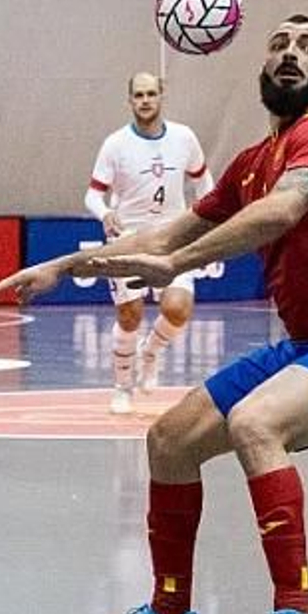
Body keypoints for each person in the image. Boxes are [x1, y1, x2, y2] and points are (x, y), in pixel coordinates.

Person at [0, 15, 308, 614]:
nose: (290, 53)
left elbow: (280, 212)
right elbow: (162, 235)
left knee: (255, 421)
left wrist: (176, 264)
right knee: (169, 439)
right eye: (279, 44)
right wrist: (67, 266)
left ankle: (297, 613)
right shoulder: (252, 162)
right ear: (259, 69)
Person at [84, 72, 214, 414]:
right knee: (130, 315)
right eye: (139, 95)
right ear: (130, 99)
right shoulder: (115, 144)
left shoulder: (184, 138)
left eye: (151, 93)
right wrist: (104, 214)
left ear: (161, 96)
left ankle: (151, 352)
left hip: (173, 235)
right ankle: (122, 386)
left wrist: (206, 216)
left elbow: (204, 183)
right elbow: (93, 194)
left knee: (177, 308)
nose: (145, 100)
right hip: (128, 238)